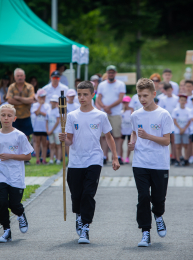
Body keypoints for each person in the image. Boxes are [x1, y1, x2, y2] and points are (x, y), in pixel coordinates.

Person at [59, 81, 120, 244]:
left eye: (85, 94)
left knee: (88, 194)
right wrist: (65, 139)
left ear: (93, 95)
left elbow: (108, 137)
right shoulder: (71, 116)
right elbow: (70, 141)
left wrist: (115, 157)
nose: (82, 97)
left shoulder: (100, 115)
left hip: (94, 159)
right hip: (75, 161)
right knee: (77, 195)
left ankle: (85, 227)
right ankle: (79, 215)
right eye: (79, 94)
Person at [128, 78, 174, 247]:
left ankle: (158, 215)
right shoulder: (135, 114)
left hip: (159, 163)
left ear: (154, 94)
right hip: (140, 162)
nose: (142, 99)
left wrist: (147, 136)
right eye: (139, 95)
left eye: (145, 95)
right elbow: (134, 132)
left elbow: (166, 141)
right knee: (143, 197)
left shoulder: (164, 115)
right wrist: (132, 142)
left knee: (158, 198)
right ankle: (145, 232)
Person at [0, 104, 33, 243]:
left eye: (9, 115)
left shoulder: (20, 136)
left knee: (14, 204)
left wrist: (11, 156)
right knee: (2, 202)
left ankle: (20, 214)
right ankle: (6, 231)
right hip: (0, 173)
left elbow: (28, 156)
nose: (6, 118)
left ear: (14, 118)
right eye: (3, 115)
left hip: (15, 175)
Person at [97, 65, 126, 165]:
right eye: (109, 72)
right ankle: (105, 156)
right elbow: (98, 98)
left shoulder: (120, 84)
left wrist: (109, 107)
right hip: (105, 114)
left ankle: (118, 156)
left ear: (115, 73)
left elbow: (120, 98)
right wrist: (105, 107)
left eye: (112, 72)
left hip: (116, 113)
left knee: (117, 136)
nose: (111, 74)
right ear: (107, 73)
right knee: (104, 136)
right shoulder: (102, 85)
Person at [7, 68, 34, 165]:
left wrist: (18, 98)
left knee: (26, 138)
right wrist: (24, 101)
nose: (20, 77)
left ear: (24, 76)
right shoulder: (11, 87)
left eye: (21, 76)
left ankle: (26, 158)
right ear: (14, 77)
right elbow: (9, 100)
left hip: (26, 116)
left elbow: (31, 100)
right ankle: (14, 156)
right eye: (18, 76)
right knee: (14, 138)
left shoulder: (29, 87)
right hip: (14, 117)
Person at [158, 83, 179, 164]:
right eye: (167, 90)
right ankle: (165, 156)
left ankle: (174, 156)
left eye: (170, 90)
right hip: (165, 122)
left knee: (173, 140)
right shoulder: (162, 99)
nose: (169, 92)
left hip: (174, 122)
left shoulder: (176, 98)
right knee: (165, 140)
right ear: (165, 91)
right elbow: (160, 110)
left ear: (172, 90)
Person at [30, 89, 50, 165]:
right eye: (41, 97)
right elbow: (36, 113)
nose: (43, 98)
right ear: (38, 97)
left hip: (44, 127)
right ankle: (38, 159)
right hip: (37, 127)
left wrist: (40, 111)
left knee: (44, 143)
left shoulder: (47, 105)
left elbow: (47, 115)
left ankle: (44, 159)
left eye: (44, 97)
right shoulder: (35, 105)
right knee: (37, 143)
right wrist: (40, 105)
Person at [172, 94, 191, 166]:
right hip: (177, 130)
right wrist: (180, 128)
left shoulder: (188, 110)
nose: (183, 101)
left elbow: (189, 121)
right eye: (181, 100)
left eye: (184, 100)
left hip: (185, 130)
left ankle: (185, 159)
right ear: (179, 101)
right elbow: (174, 120)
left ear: (186, 102)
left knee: (185, 145)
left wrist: (184, 128)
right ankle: (178, 159)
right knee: (177, 146)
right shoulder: (175, 110)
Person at [46, 95, 61, 165]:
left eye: (55, 102)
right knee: (52, 145)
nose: (54, 103)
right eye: (53, 102)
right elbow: (46, 121)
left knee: (58, 145)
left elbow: (57, 121)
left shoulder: (57, 110)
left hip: (57, 130)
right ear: (50, 102)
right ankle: (51, 159)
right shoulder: (48, 110)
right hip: (50, 130)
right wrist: (47, 130)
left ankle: (58, 159)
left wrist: (51, 130)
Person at [121, 96, 133, 163]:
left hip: (130, 131)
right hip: (123, 130)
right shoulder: (122, 112)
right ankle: (121, 156)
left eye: (127, 102)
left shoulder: (132, 112)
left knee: (129, 144)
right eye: (124, 103)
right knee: (120, 144)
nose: (126, 104)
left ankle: (127, 157)